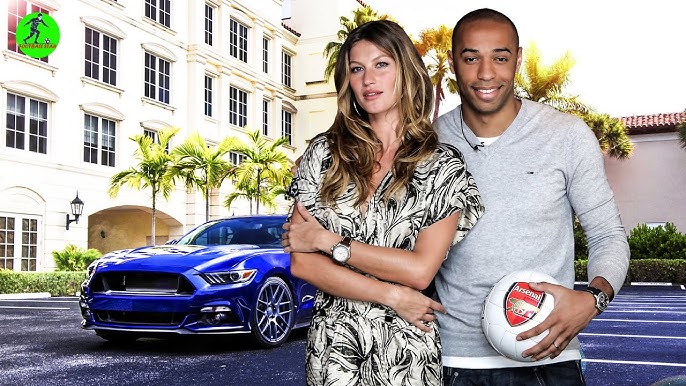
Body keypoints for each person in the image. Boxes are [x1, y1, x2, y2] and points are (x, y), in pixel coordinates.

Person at [434, 8, 630, 386]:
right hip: (454, 362)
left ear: (518, 60)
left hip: (549, 359)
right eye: (471, 58)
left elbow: (608, 235)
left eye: (500, 57)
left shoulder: (566, 136)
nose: (486, 73)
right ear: (453, 62)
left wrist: (593, 299)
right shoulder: (427, 142)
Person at [282, 20, 483, 386]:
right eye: (356, 69)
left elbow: (420, 270)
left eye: (381, 64)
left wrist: (328, 242)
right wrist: (391, 295)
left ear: (404, 70)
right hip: (334, 352)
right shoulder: (323, 154)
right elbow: (301, 261)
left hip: (406, 353)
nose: (367, 79)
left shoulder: (441, 165)